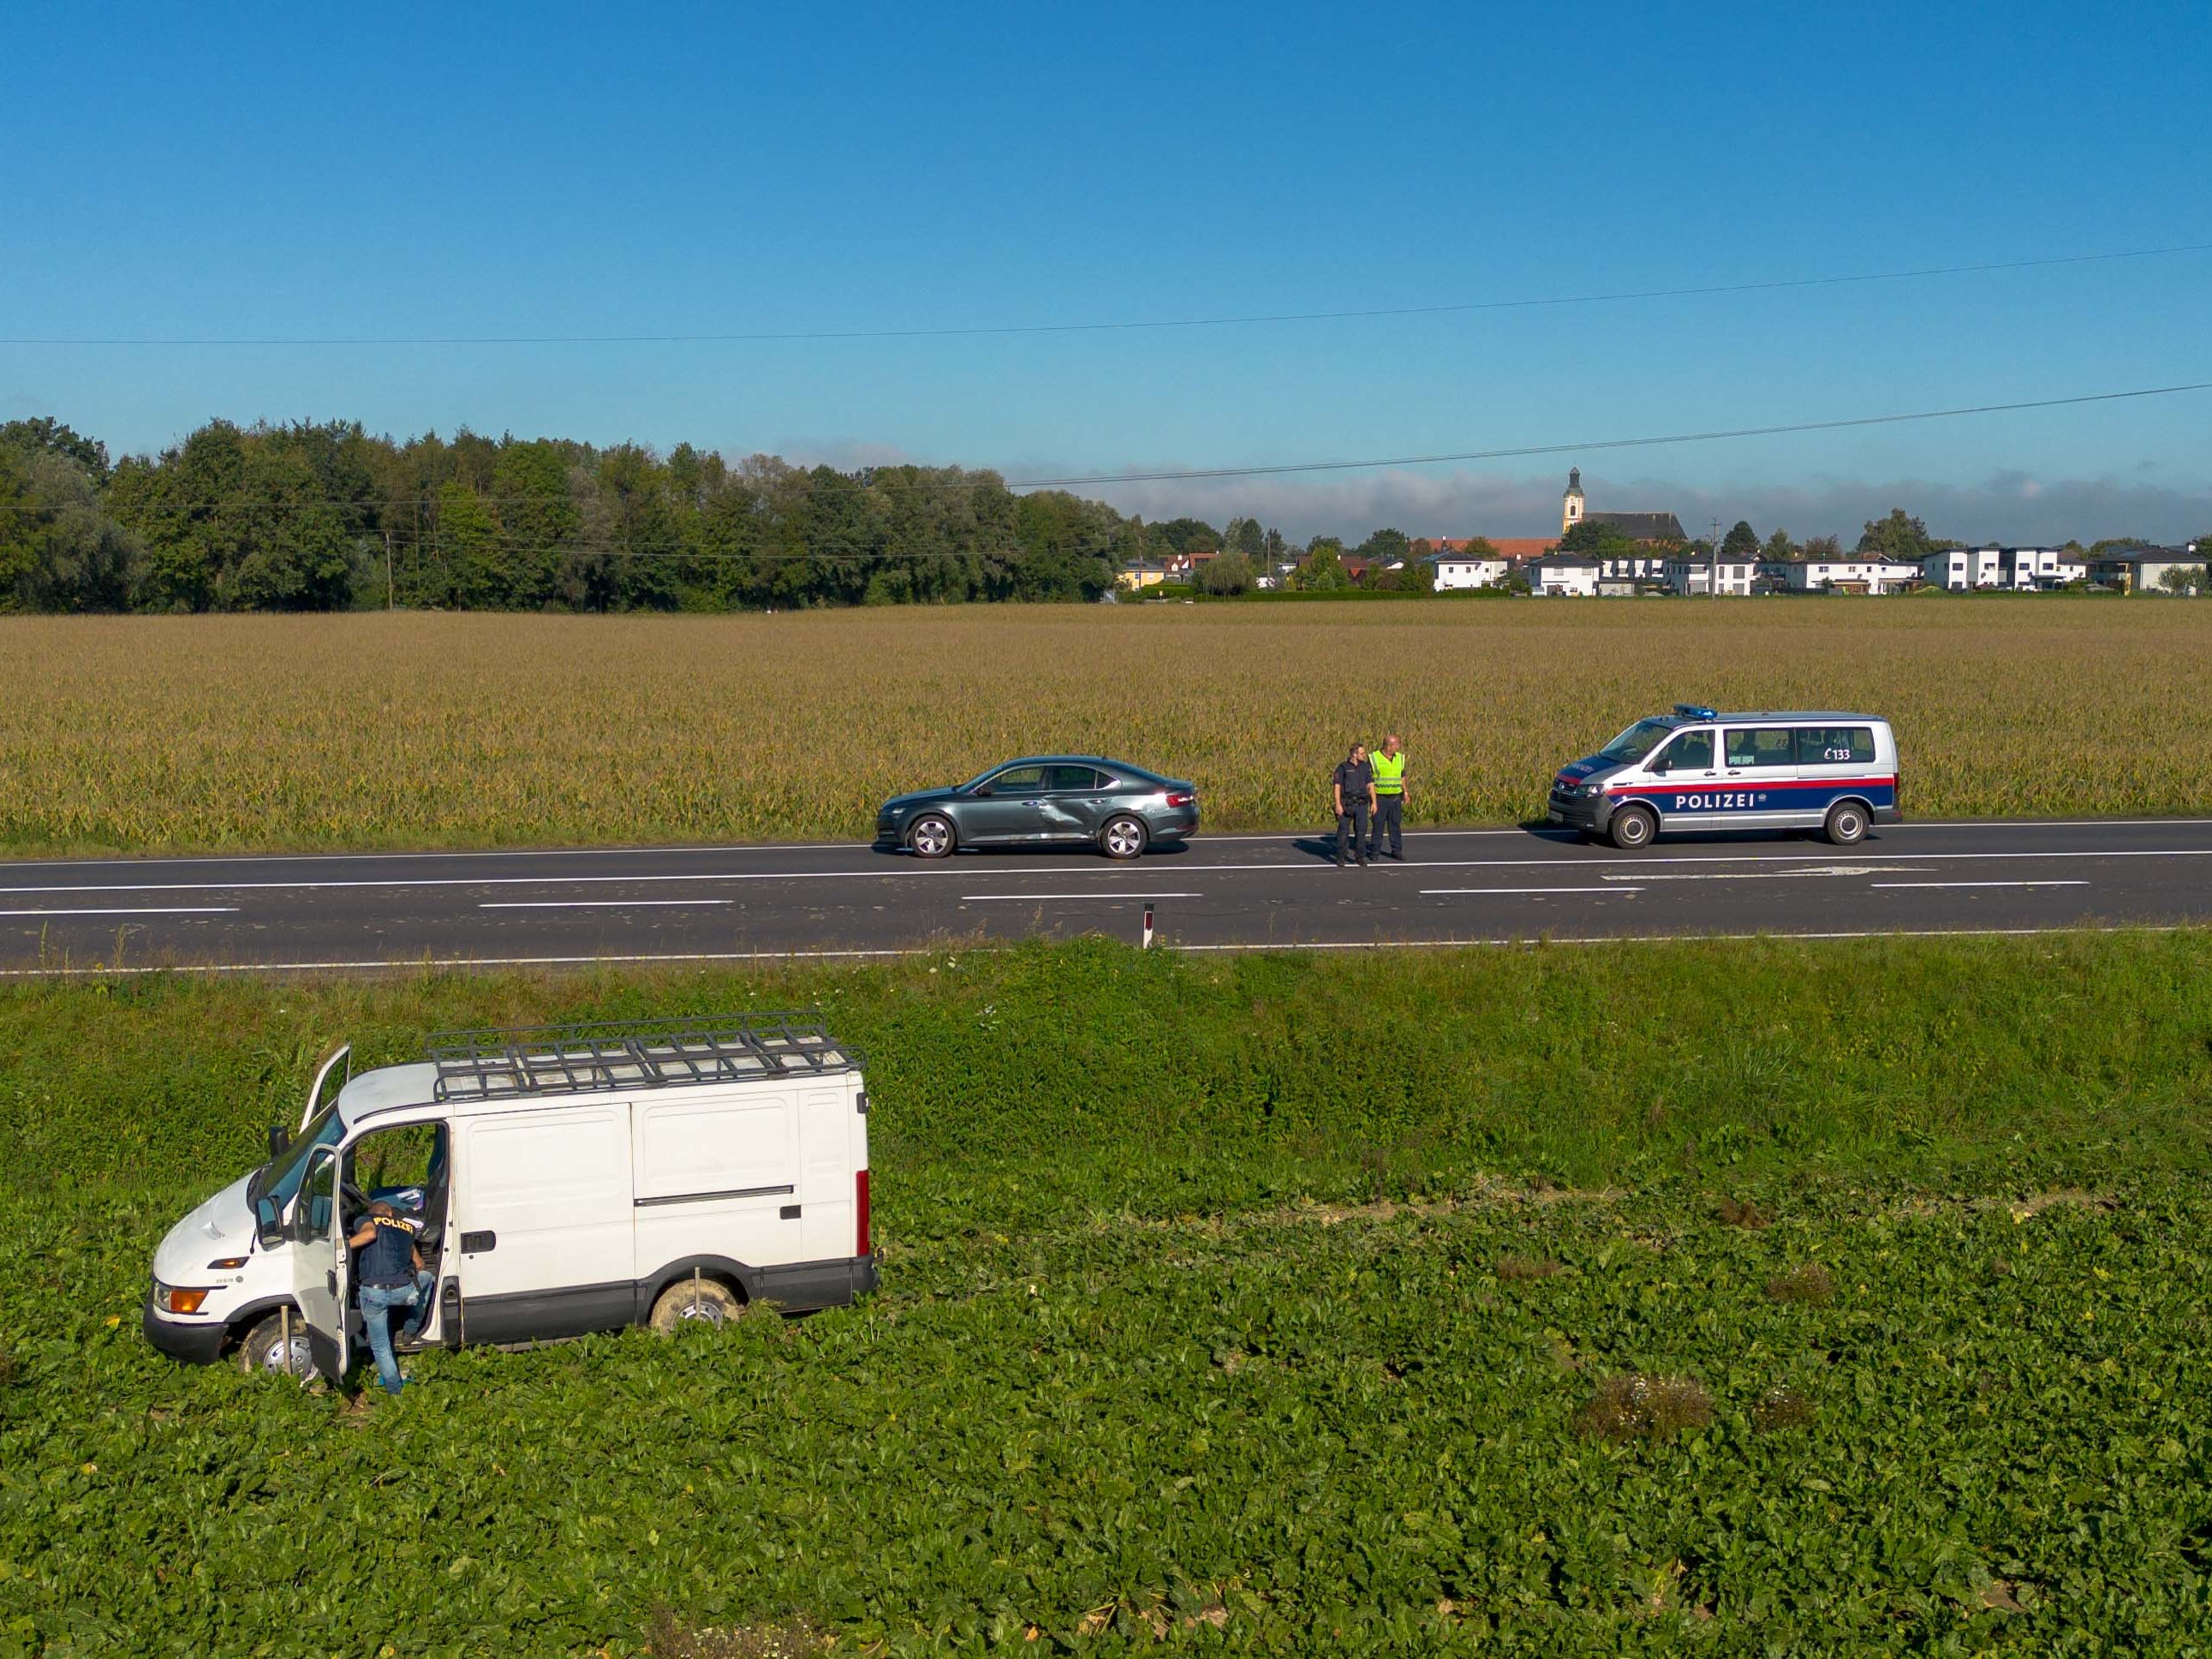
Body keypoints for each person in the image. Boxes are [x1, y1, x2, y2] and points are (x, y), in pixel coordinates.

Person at [348, 1199, 430, 1396]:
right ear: (391, 1213)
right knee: (428, 1279)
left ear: (374, 1213)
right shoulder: (407, 1228)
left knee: (381, 1347)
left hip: (374, 1293)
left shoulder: (366, 1219)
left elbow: (369, 1234)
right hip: (403, 1291)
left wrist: (340, 1246)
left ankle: (395, 1394)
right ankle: (411, 1329)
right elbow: (419, 1265)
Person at [1332, 742, 1374, 868]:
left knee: (1361, 832)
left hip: (1362, 804)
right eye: (1362, 753)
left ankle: (1359, 857)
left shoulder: (1366, 767)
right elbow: (1337, 786)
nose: (1364, 755)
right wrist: (1338, 804)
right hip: (1347, 804)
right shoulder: (1343, 767)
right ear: (1354, 754)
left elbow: (1370, 785)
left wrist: (1374, 802)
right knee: (1343, 832)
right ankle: (1340, 857)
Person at [1367, 734, 1407, 860]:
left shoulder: (1400, 758)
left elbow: (1402, 775)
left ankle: (1396, 850)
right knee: (1378, 826)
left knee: (1395, 826)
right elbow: (1369, 780)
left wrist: (1405, 792)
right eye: (1397, 744)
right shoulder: (1374, 758)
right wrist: (1372, 799)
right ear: (1389, 746)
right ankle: (1375, 851)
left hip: (1395, 798)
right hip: (1380, 798)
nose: (1398, 747)